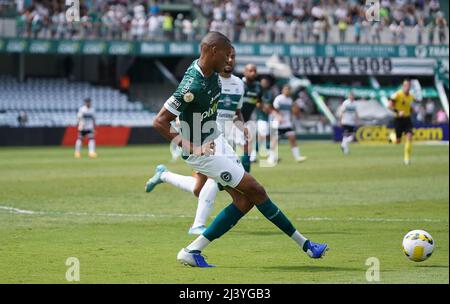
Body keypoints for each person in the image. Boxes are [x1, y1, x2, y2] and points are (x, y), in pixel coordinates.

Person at [150, 32, 328, 267]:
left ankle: (193, 251)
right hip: (203, 153)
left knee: (245, 200)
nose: (230, 60)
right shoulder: (191, 85)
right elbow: (159, 122)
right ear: (213, 51)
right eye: (227, 55)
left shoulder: (213, 73)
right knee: (256, 189)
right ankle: (307, 246)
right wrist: (194, 147)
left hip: (217, 140)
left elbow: (226, 110)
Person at [146, 46, 246, 235]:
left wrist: (242, 130)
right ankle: (197, 225)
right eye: (227, 55)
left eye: (233, 56)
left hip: (224, 138)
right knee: (215, 180)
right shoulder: (207, 77)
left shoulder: (239, 84)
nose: (230, 60)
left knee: (199, 189)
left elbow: (237, 112)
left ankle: (164, 175)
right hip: (204, 137)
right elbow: (185, 104)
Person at [268, 85, 307, 164]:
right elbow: (273, 110)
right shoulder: (278, 98)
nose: (287, 91)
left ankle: (297, 157)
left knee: (292, 138)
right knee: (275, 141)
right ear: (283, 90)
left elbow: (292, 111)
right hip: (277, 123)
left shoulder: (290, 100)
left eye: (288, 90)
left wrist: (292, 117)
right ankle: (271, 158)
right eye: (286, 89)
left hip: (287, 123)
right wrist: (278, 117)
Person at [388, 80, 415, 165]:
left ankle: (407, 159)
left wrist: (411, 110)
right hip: (398, 120)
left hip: (407, 119)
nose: (407, 87)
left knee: (409, 136)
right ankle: (392, 136)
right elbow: (389, 106)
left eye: (409, 86)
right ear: (403, 86)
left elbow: (410, 107)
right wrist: (397, 111)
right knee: (398, 141)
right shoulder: (397, 94)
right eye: (406, 85)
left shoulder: (411, 97)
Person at [240, 64, 263, 164]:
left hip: (249, 119)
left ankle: (246, 167)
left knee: (248, 143)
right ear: (244, 72)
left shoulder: (258, 87)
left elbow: (259, 101)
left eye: (254, 71)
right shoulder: (238, 84)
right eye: (250, 71)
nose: (253, 73)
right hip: (234, 120)